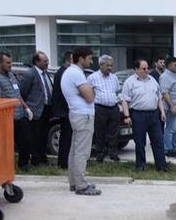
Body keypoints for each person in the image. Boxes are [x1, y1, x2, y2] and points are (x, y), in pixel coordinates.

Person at [60, 47, 100, 195]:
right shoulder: (76, 74)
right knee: (82, 152)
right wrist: (92, 90)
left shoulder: (70, 72)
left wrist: (89, 90)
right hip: (83, 115)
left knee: (75, 151)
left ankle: (74, 182)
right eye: (89, 58)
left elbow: (87, 94)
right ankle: (81, 185)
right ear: (81, 58)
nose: (91, 61)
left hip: (77, 114)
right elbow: (90, 97)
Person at [121, 58, 168, 171]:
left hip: (153, 114)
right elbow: (124, 100)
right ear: (136, 69)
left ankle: (161, 165)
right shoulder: (130, 82)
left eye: (148, 68)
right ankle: (140, 165)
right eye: (144, 68)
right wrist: (127, 116)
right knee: (140, 142)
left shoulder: (152, 80)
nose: (147, 70)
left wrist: (161, 112)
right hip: (138, 115)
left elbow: (158, 98)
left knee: (158, 140)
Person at [0, 52, 33, 170]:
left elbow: (17, 94)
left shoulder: (10, 75)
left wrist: (26, 107)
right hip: (7, 118)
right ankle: (6, 167)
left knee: (26, 141)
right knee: (7, 146)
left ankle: (23, 165)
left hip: (20, 115)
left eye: (11, 62)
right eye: (7, 63)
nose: (10, 65)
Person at [87, 54, 123, 162]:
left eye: (111, 66)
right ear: (101, 65)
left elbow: (117, 91)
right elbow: (88, 92)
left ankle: (113, 153)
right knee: (100, 132)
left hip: (113, 108)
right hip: (100, 108)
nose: (110, 68)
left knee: (114, 132)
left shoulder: (114, 77)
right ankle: (100, 153)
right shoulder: (92, 77)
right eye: (108, 65)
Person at [19, 50, 53, 166]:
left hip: (46, 109)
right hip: (35, 110)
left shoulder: (45, 73)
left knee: (44, 136)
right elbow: (23, 92)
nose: (47, 63)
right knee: (35, 136)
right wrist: (27, 108)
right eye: (45, 61)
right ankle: (36, 160)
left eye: (47, 61)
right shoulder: (30, 74)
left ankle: (43, 158)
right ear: (37, 61)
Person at [159, 56, 176, 158]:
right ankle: (168, 149)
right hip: (173, 108)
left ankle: (175, 148)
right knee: (170, 129)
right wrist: (172, 105)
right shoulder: (165, 76)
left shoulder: (175, 75)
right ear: (169, 65)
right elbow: (164, 92)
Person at [52, 51, 74, 168]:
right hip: (65, 112)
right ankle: (63, 162)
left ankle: (65, 161)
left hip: (66, 111)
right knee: (66, 138)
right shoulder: (63, 73)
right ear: (69, 60)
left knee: (68, 138)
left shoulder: (63, 71)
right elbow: (63, 93)